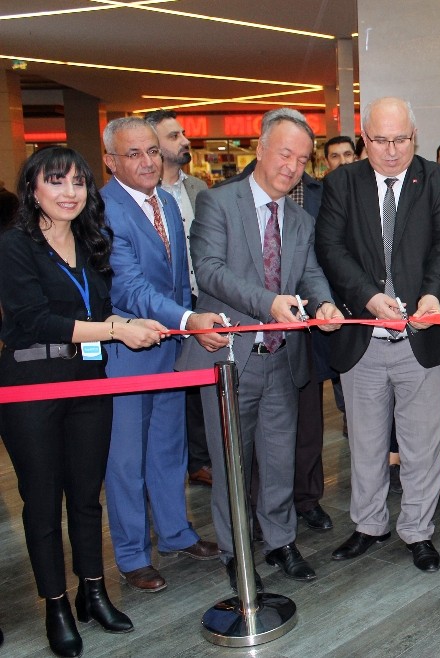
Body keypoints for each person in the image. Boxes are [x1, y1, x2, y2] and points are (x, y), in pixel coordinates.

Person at [0, 147, 165, 656]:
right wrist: (115, 329)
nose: (70, 193)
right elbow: (34, 320)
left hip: (89, 377)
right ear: (33, 189)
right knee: (44, 500)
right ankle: (56, 604)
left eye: (77, 183)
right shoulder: (13, 246)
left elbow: (104, 304)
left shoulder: (93, 242)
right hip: (32, 384)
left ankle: (93, 591)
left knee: (86, 494)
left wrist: (131, 324)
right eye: (56, 182)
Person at [175, 108, 342, 589]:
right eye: (285, 153)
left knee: (278, 458)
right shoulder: (217, 203)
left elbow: (309, 274)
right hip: (230, 359)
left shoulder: (300, 218)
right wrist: (269, 303)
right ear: (261, 148)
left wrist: (325, 304)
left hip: (283, 359)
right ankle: (236, 550)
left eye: (302, 159)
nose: (292, 166)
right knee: (232, 463)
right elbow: (208, 270)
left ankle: (281, 541)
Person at [316, 97, 440, 573]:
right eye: (380, 140)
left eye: (400, 139)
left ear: (414, 137)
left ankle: (419, 531)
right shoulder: (342, 182)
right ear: (365, 140)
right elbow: (330, 247)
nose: (391, 150)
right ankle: (368, 524)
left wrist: (432, 296)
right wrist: (365, 297)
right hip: (364, 338)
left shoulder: (438, 180)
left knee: (423, 443)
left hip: (422, 336)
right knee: (365, 441)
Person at [101, 117, 223, 593]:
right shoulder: (105, 210)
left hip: (171, 349)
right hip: (128, 353)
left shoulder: (168, 204)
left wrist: (189, 322)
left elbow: (179, 280)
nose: (149, 161)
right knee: (126, 460)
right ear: (111, 161)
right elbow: (130, 287)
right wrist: (189, 320)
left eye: (152, 150)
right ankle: (133, 555)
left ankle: (175, 533)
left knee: (169, 450)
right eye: (134, 154)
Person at [143, 109, 214, 489]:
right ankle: (179, 463)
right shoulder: (146, 196)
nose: (184, 140)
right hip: (162, 305)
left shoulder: (198, 189)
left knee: (199, 381)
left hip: (201, 297)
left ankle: (200, 459)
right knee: (169, 388)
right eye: (173, 136)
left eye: (182, 133)